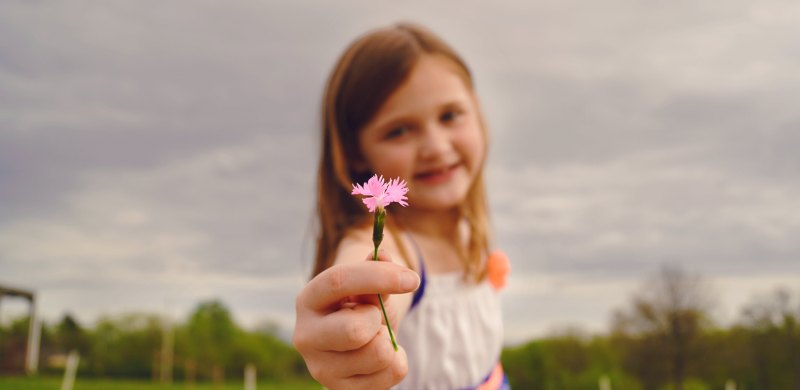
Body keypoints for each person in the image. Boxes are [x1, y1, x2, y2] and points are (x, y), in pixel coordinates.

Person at [293, 22, 510, 390]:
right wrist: (361, 311)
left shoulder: (468, 231)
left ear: (478, 112)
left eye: (450, 115)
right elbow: (367, 266)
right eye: (398, 131)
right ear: (357, 156)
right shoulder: (390, 240)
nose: (436, 146)